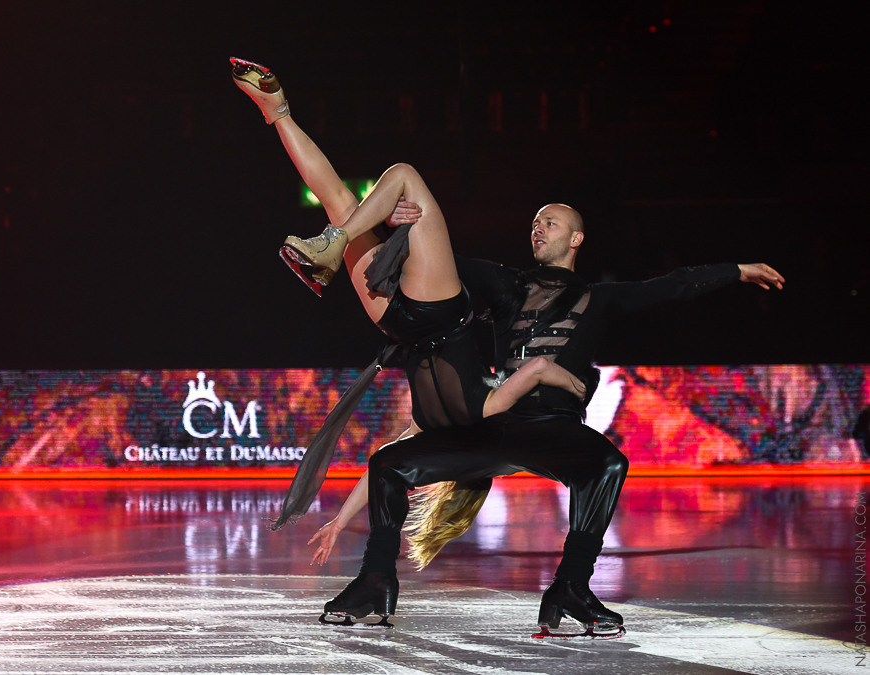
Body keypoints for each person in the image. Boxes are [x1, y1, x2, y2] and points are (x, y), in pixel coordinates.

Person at [232, 58, 786, 636]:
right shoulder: (506, 284)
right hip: (489, 417)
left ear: (577, 238)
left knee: (607, 463)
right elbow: (433, 259)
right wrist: (401, 223)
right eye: (536, 222)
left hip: (548, 426)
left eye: (552, 222)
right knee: (390, 463)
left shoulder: (601, 299)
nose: (538, 227)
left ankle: (570, 588)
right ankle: (375, 581)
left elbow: (671, 285)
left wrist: (736, 270)